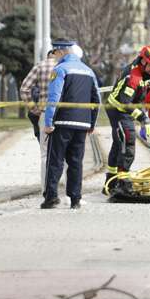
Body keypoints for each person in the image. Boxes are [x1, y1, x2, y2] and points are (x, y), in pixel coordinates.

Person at [42, 41, 100, 209]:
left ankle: (51, 197)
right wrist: (92, 123)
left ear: (61, 51)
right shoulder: (89, 71)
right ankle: (75, 199)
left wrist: (48, 122)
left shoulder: (60, 70)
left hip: (62, 123)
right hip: (82, 124)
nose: (54, 56)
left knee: (55, 161)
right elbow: (97, 99)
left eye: (55, 52)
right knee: (76, 162)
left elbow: (54, 97)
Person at [104, 45, 150, 190]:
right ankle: (123, 183)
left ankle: (110, 182)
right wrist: (143, 119)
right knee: (127, 142)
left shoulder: (145, 73)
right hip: (118, 110)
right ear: (143, 61)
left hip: (123, 109)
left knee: (118, 144)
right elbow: (125, 103)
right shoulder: (134, 76)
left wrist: (144, 115)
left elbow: (139, 98)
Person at [19, 46, 64, 186]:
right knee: (66, 152)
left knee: (45, 153)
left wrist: (33, 108)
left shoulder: (40, 66)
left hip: (44, 113)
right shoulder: (65, 66)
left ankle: (46, 188)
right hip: (64, 113)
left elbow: (24, 88)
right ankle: (69, 189)